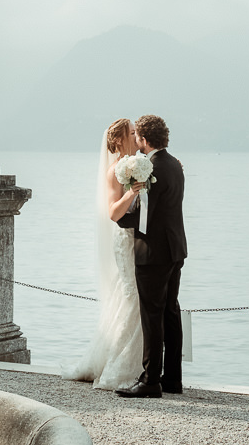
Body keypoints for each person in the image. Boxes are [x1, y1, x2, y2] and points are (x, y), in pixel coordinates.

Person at [62, 118, 146, 391]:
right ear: (119, 140)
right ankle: (122, 368)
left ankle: (141, 364)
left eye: (136, 132)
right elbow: (113, 213)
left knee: (130, 296)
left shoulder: (140, 165)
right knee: (132, 295)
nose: (136, 136)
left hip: (141, 238)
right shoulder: (115, 171)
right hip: (124, 240)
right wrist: (133, 192)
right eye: (131, 133)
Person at [116, 114, 187, 399]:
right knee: (171, 312)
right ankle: (173, 379)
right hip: (175, 248)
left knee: (152, 315)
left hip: (154, 252)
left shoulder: (151, 169)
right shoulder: (174, 165)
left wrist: (121, 220)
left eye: (137, 137)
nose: (135, 141)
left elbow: (144, 215)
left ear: (144, 140)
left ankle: (150, 380)